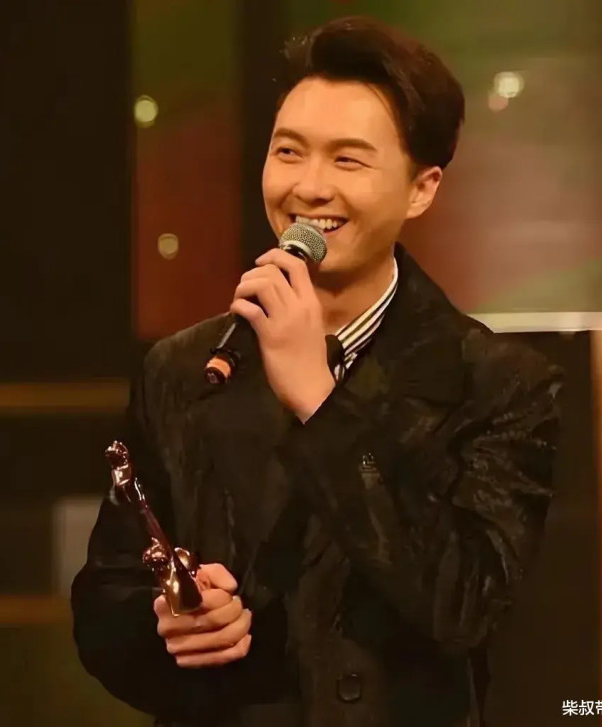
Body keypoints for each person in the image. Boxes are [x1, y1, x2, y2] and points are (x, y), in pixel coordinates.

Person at [71, 15, 562, 727]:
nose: (308, 187)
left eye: (348, 161)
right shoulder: (183, 369)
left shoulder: (499, 382)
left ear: (422, 187)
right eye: (288, 151)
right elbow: (104, 598)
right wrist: (167, 622)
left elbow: (465, 604)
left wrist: (322, 406)